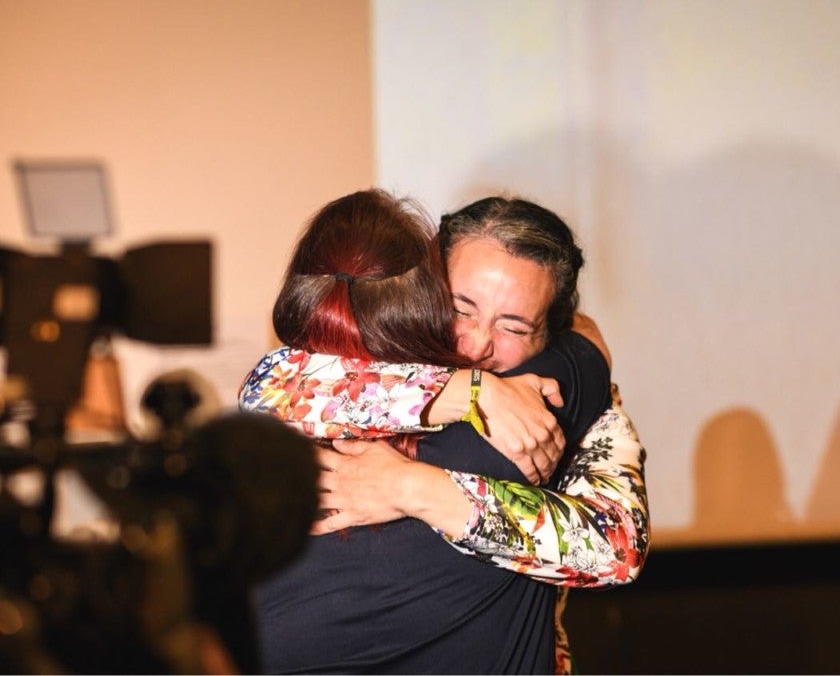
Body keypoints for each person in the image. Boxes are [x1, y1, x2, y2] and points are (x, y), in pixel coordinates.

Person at [241, 195, 649, 673]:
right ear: (423, 294)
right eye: (462, 309)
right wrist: (470, 390)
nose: (478, 345)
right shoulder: (362, 373)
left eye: (513, 326)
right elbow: (268, 386)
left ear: (549, 338)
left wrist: (409, 487)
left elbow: (617, 550)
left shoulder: (562, 402)